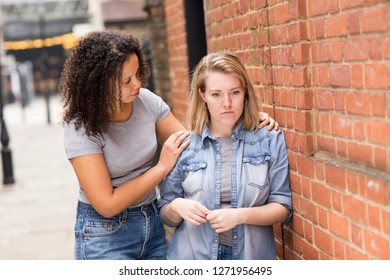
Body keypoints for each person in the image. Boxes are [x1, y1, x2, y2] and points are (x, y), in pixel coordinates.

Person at [60, 30, 277, 260]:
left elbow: (193, 147)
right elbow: (107, 204)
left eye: (137, 73)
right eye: (126, 81)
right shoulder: (80, 127)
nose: (138, 83)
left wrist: (245, 119)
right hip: (104, 234)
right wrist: (161, 168)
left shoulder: (145, 101)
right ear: (99, 85)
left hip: (151, 225)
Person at [158, 52, 293, 260]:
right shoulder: (184, 145)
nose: (227, 103)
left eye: (235, 92)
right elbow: (166, 214)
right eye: (216, 94)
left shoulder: (268, 139)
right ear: (202, 95)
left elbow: (282, 206)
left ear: (245, 92)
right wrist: (177, 206)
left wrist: (240, 216)